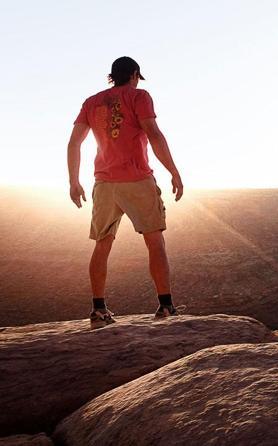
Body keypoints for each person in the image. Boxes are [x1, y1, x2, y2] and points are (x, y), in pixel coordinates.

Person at [67, 56, 184, 329]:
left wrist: (74, 180)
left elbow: (74, 143)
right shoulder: (139, 96)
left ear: (111, 76)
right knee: (154, 241)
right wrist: (174, 171)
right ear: (133, 74)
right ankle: (165, 306)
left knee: (102, 243)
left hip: (105, 182)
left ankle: (98, 310)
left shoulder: (91, 102)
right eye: (136, 77)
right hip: (137, 179)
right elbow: (153, 134)